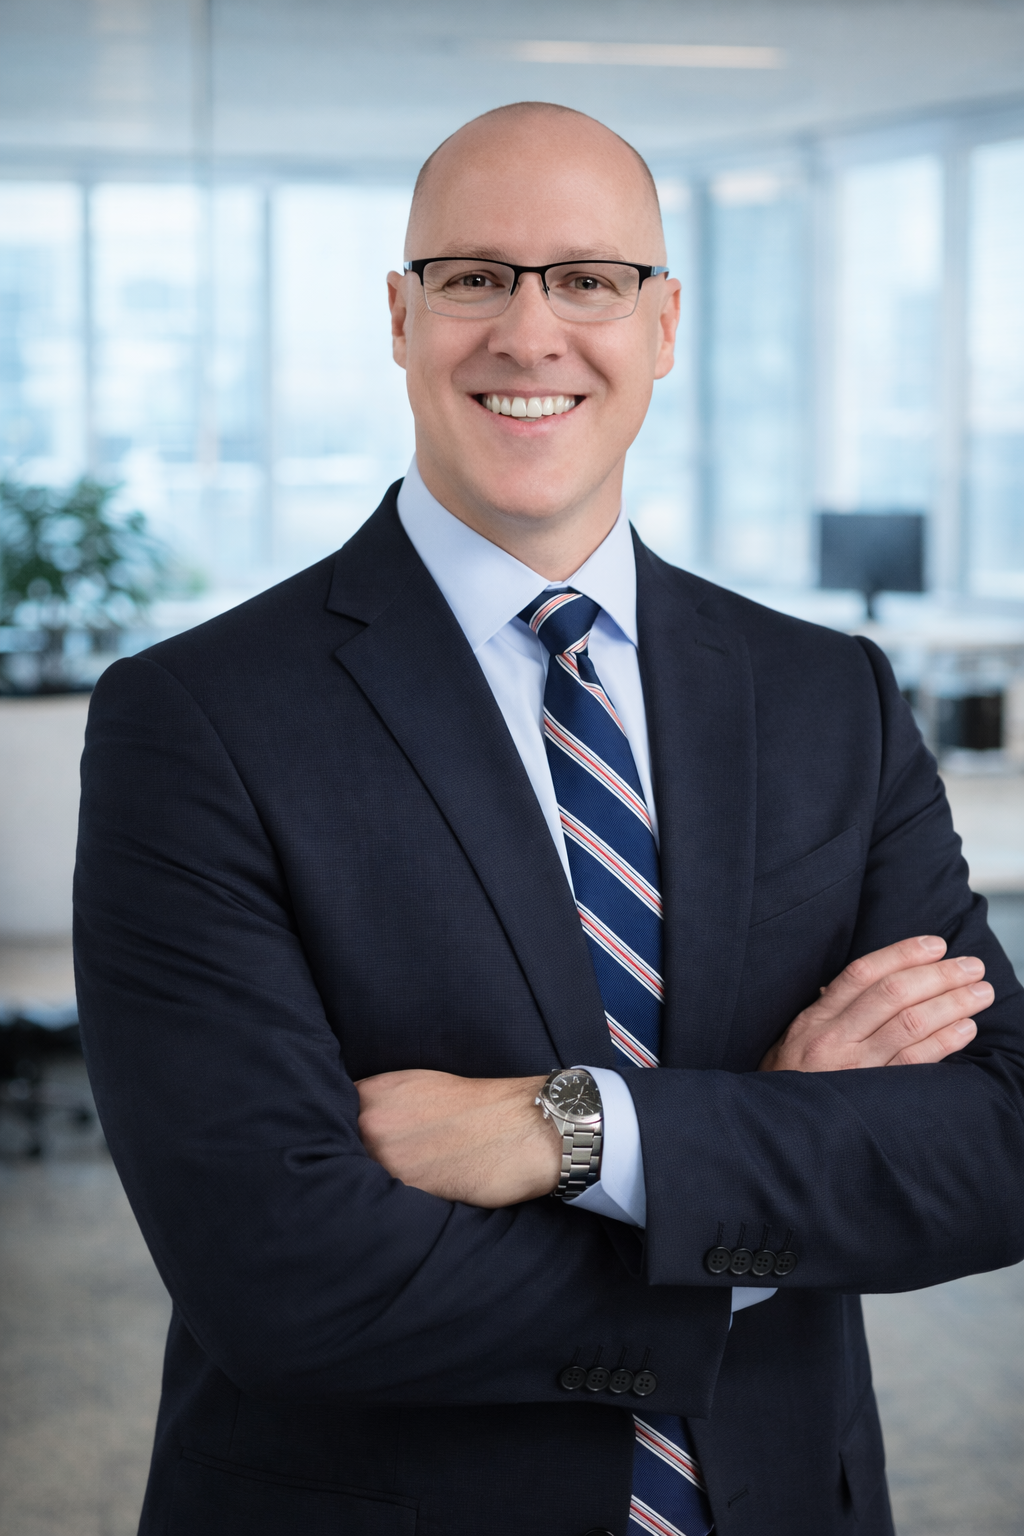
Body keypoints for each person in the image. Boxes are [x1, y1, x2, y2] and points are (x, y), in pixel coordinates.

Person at [74, 102, 1024, 1536]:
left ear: (665, 325)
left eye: (587, 278)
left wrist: (578, 1136)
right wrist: (772, 1159)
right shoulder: (195, 720)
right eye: (473, 279)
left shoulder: (826, 693)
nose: (530, 334)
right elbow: (291, 1281)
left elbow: (997, 1146)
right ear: (401, 319)